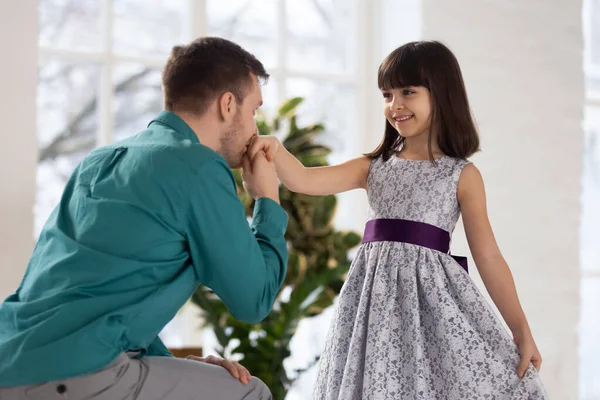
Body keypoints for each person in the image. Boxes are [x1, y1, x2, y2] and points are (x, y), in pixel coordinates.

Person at [247, 41, 549, 399]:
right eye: (387, 94)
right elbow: (303, 180)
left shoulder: (461, 175)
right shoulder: (374, 168)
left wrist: (520, 330)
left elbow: (488, 257)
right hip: (370, 307)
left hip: (430, 308)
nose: (396, 105)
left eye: (409, 92)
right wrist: (275, 150)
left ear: (442, 94)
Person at [0, 37, 287, 400]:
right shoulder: (199, 168)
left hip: (10, 361)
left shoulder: (100, 161)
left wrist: (171, 365)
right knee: (251, 393)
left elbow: (95, 292)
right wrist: (267, 198)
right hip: (75, 373)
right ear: (228, 105)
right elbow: (254, 301)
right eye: (254, 111)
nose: (255, 129)